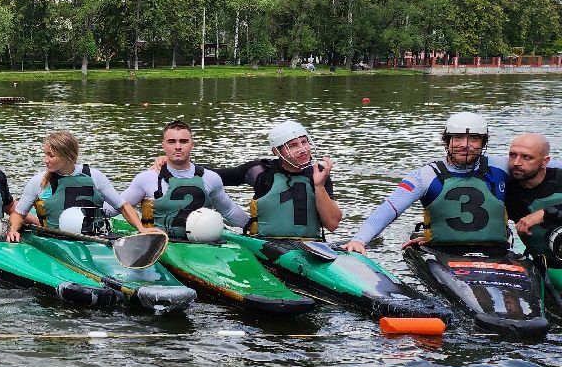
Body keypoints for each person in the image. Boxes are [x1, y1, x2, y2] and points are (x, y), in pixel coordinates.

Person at [342, 111, 509, 253]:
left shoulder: (505, 168)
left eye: (473, 138)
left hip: (496, 252)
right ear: (447, 141)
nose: (465, 145)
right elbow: (389, 208)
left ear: (483, 143)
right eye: (458, 138)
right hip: (444, 252)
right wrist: (359, 240)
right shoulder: (424, 176)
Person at [212, 120, 342, 240]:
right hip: (265, 245)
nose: (302, 149)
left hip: (310, 245)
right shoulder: (259, 171)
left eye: (304, 142)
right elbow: (212, 177)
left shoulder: (319, 173)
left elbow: (332, 224)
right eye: (293, 146)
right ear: (276, 152)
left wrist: (319, 186)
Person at [117, 120, 248, 238]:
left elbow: (229, 211)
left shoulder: (211, 178)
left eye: (183, 141)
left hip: (204, 246)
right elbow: (119, 205)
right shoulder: (146, 178)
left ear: (192, 144)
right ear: (164, 145)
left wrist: (254, 228)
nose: (178, 146)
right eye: (172, 142)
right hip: (160, 245)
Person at [4, 130, 126, 243]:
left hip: (95, 237)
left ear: (68, 156)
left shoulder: (94, 175)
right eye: (45, 154)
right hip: (56, 239)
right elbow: (19, 214)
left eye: (51, 156)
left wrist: (142, 229)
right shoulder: (38, 182)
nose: (45, 160)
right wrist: (12, 231)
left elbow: (122, 206)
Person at [504, 132, 562, 261]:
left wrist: (544, 214)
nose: (516, 162)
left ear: (544, 161)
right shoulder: (507, 190)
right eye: (512, 155)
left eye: (526, 157)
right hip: (544, 264)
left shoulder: (559, 179)